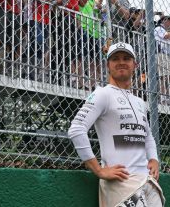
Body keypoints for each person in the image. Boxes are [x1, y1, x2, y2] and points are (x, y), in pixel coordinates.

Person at [68, 42, 165, 206]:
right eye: (115, 59)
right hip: (122, 184)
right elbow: (76, 129)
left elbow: (147, 136)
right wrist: (98, 170)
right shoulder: (102, 94)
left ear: (135, 64)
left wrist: (154, 159)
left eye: (126, 58)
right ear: (108, 65)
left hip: (148, 182)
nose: (121, 62)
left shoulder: (140, 102)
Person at [53, 0, 96, 87]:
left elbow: (81, 3)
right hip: (63, 15)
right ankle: (58, 76)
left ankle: (64, 76)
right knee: (65, 47)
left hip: (71, 16)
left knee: (70, 48)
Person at [79, 0, 105, 89]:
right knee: (87, 57)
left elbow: (103, 20)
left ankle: (94, 83)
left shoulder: (100, 8)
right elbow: (93, 7)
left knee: (96, 59)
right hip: (86, 30)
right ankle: (84, 81)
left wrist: (101, 11)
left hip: (97, 35)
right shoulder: (88, 2)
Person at [154, 15, 170, 104]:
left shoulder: (165, 30)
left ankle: (166, 96)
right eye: (169, 20)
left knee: (167, 76)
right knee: (163, 76)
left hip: (166, 55)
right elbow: (165, 36)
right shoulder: (159, 28)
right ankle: (163, 98)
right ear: (164, 20)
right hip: (160, 54)